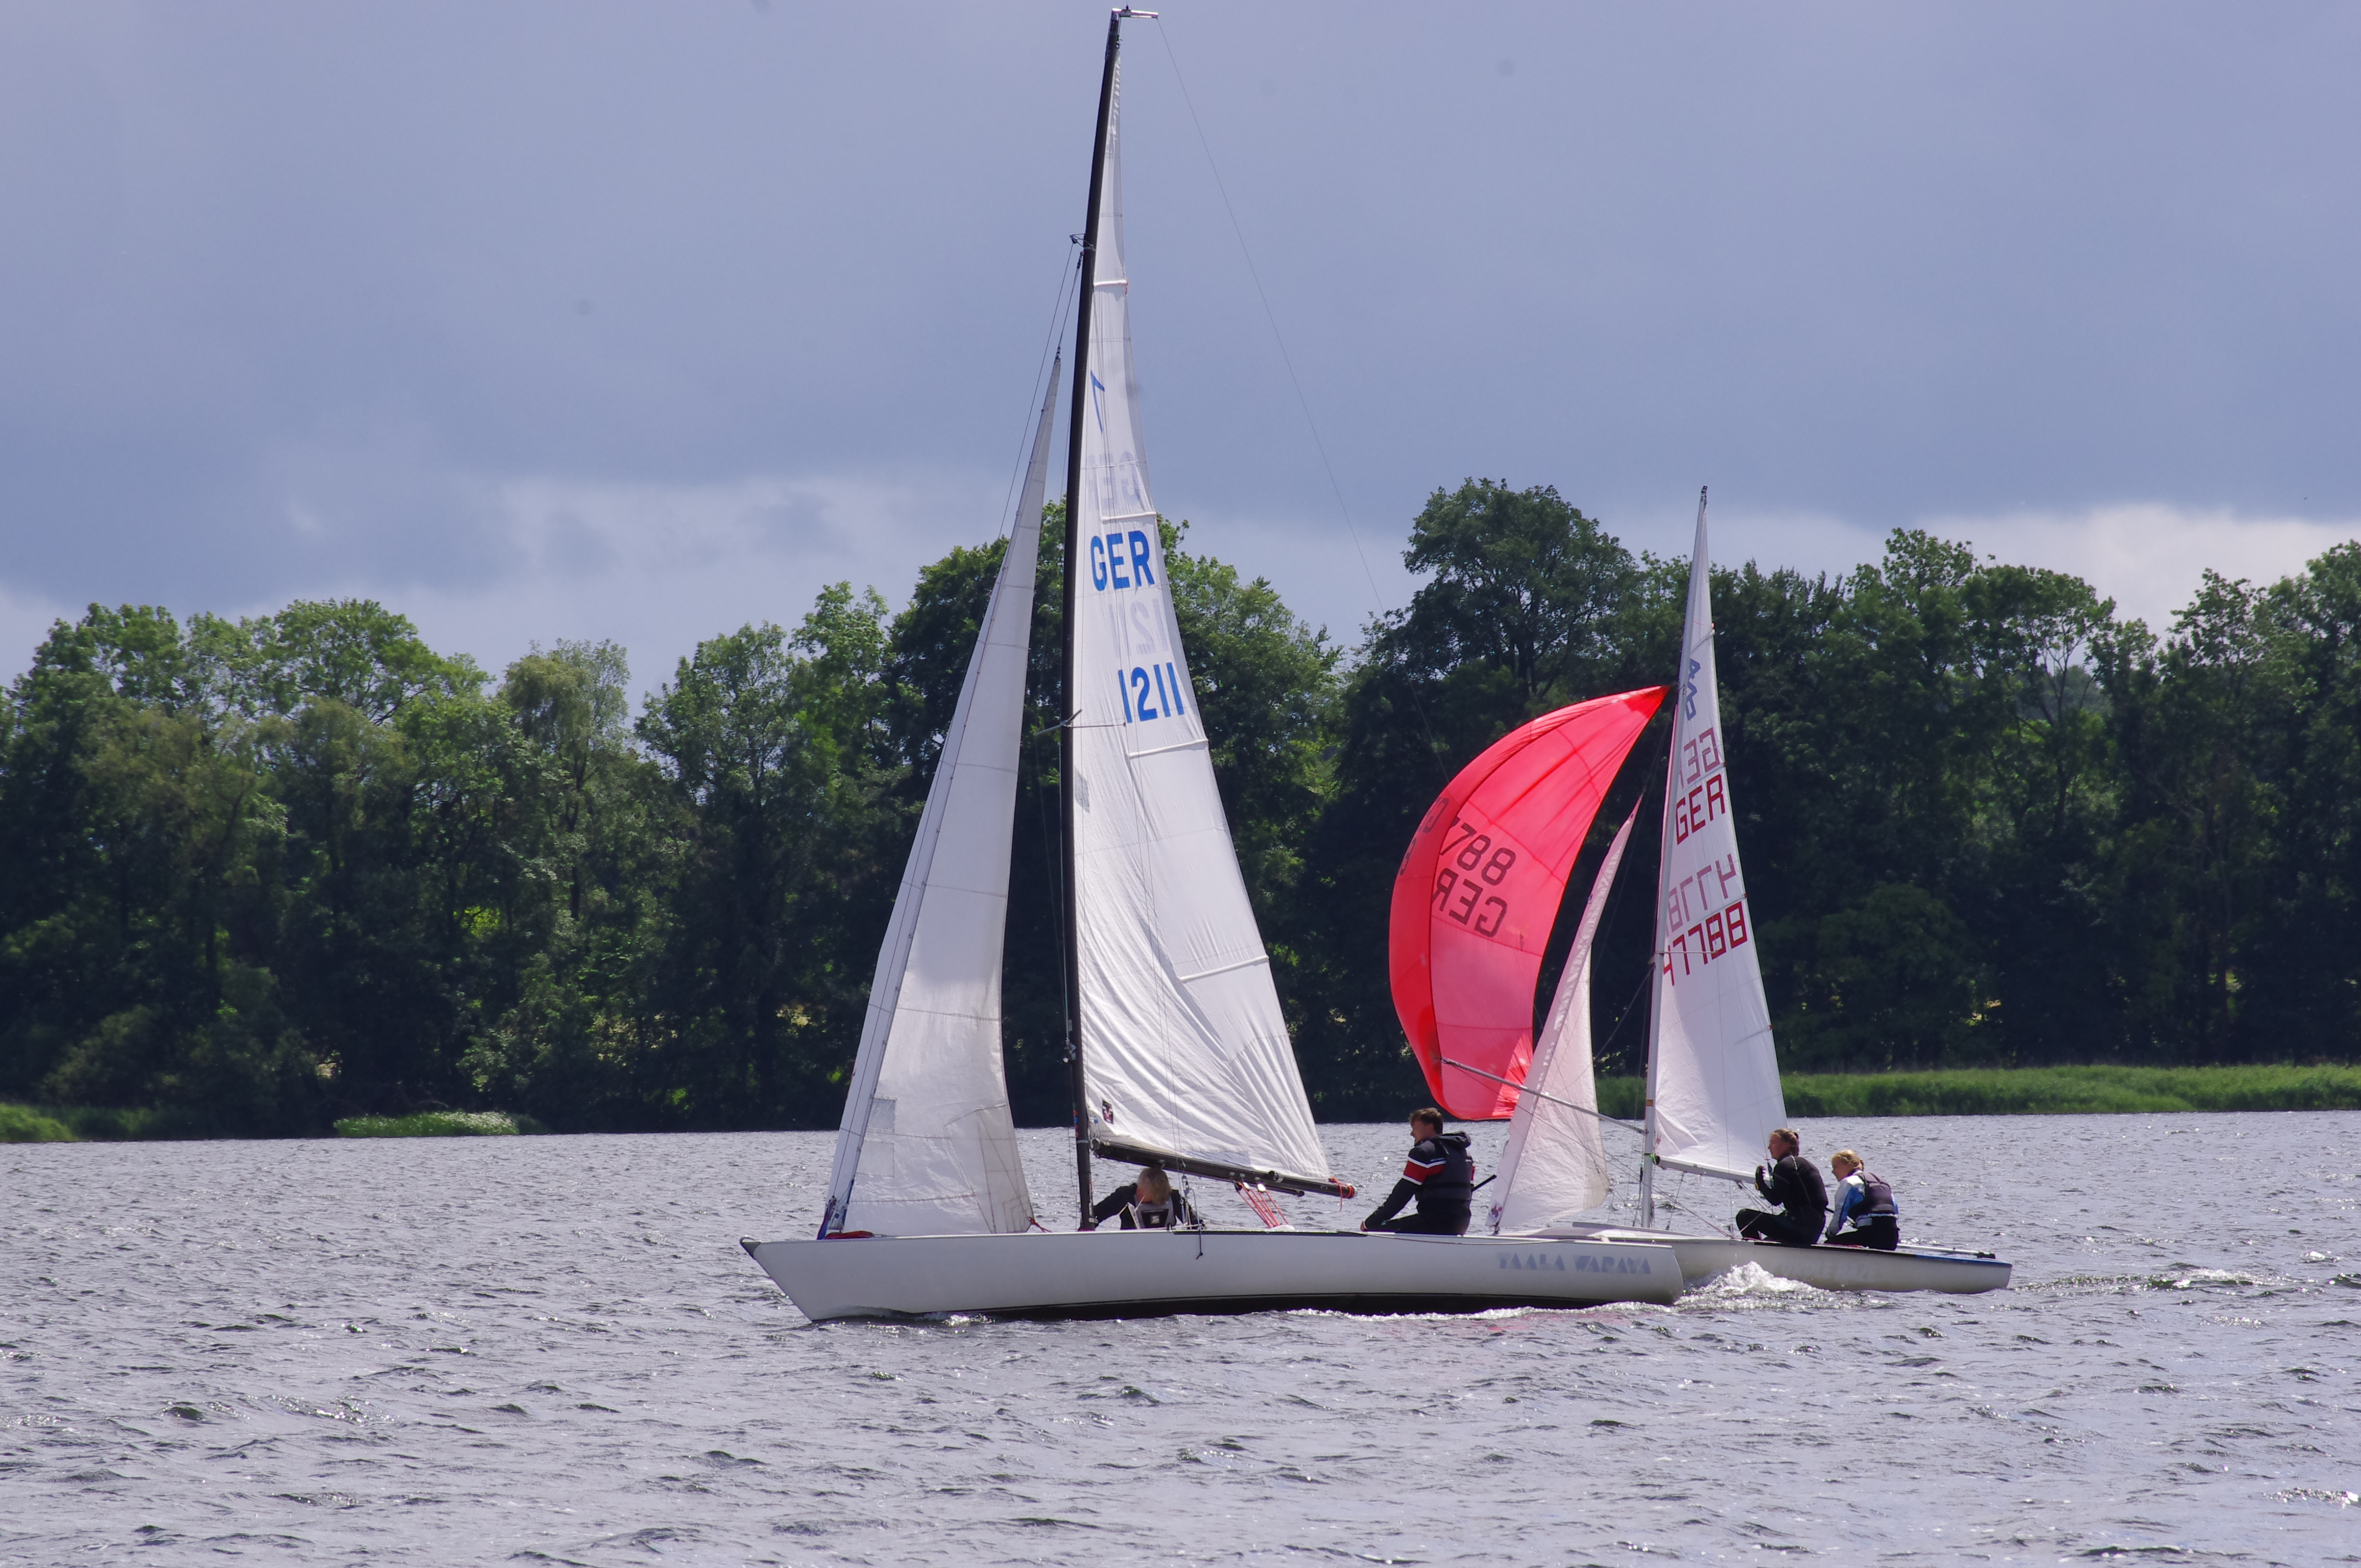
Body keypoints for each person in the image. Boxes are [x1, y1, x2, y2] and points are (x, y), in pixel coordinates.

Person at [1361, 1108, 1476, 1235]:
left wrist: (1369, 1223)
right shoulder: (1466, 1155)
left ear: (1430, 1127)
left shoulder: (1423, 1153)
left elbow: (1401, 1196)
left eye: (1415, 1128)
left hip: (1434, 1224)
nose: (1412, 1133)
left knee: (1374, 1230)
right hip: (1461, 1224)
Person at [1735, 1127, 1827, 1246]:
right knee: (1770, 1239)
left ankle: (1758, 1254)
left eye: (1773, 1142)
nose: (1769, 1147)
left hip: (1800, 1226)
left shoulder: (1785, 1165)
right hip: (1814, 1228)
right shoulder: (1805, 1164)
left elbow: (1775, 1200)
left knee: (1744, 1216)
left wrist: (1761, 1183)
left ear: (1786, 1145)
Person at [1823, 1149, 1900, 1249]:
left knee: (1829, 1244)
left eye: (1835, 1167)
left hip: (1870, 1234)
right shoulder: (1882, 1182)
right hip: (1892, 1235)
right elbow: (1894, 1210)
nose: (1833, 1171)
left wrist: (1830, 1233)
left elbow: (1840, 1214)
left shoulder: (1849, 1183)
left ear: (1850, 1165)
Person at [1084, 1163, 1199, 1230]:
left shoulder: (1174, 1198)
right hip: (1130, 1253)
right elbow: (1097, 1215)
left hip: (1167, 1252)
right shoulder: (1125, 1195)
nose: (1138, 1192)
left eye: (1142, 1190)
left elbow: (1196, 1225)